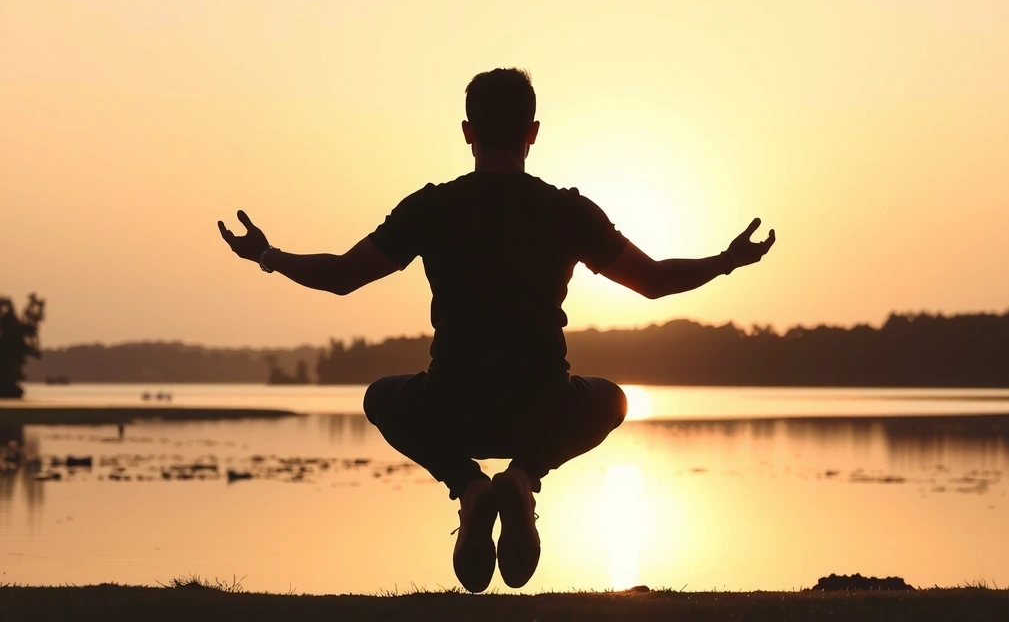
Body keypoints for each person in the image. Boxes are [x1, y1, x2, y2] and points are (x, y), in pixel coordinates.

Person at [218, 68, 775, 592]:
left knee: (380, 397)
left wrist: (268, 254)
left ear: (468, 132)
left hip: (451, 406)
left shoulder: (431, 207)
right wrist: (725, 260)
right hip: (543, 408)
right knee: (613, 399)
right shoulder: (566, 210)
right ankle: (522, 479)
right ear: (532, 133)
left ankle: (469, 488)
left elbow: (341, 277)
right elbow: (652, 281)